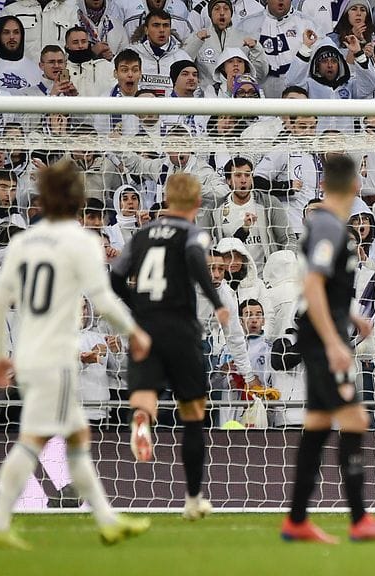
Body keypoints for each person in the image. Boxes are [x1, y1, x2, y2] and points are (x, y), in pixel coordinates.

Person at [0, 160, 151, 549]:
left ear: (41, 200)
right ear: (76, 199)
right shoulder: (80, 242)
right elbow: (105, 300)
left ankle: (107, 519)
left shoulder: (23, 242)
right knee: (33, 440)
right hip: (57, 358)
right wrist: (136, 332)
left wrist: (0, 355)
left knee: (77, 436)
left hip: (29, 354)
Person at [281, 154, 375, 543]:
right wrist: (334, 341)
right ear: (355, 187)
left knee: (317, 424)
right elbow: (313, 285)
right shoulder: (329, 229)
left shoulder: (327, 227)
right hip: (323, 337)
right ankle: (359, 520)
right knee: (353, 420)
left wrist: (352, 314)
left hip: (324, 329)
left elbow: (324, 286)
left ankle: (297, 520)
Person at [108, 173, 228, 521]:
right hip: (180, 327)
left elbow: (114, 277)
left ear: (166, 198)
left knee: (144, 395)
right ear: (197, 203)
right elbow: (193, 260)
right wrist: (216, 301)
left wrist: (138, 306)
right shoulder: (191, 232)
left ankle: (142, 420)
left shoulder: (141, 234)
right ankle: (193, 499)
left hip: (145, 327)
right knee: (193, 415)